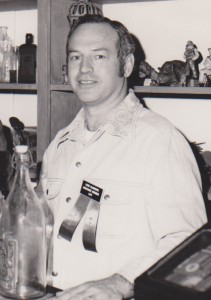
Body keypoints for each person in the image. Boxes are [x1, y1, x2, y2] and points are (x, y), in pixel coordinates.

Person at [36, 15, 207, 299]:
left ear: (126, 66)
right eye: (76, 57)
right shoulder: (60, 143)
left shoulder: (159, 140)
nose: (84, 68)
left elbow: (188, 243)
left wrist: (118, 283)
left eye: (99, 56)